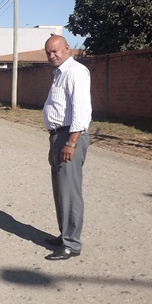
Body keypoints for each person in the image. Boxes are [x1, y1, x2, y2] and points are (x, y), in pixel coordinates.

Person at [42, 35, 92, 261]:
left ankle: (72, 244)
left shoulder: (75, 72)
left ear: (67, 48)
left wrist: (71, 142)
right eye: (48, 53)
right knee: (60, 191)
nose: (52, 55)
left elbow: (81, 112)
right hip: (58, 137)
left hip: (69, 136)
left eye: (55, 51)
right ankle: (65, 235)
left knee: (70, 192)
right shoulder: (59, 74)